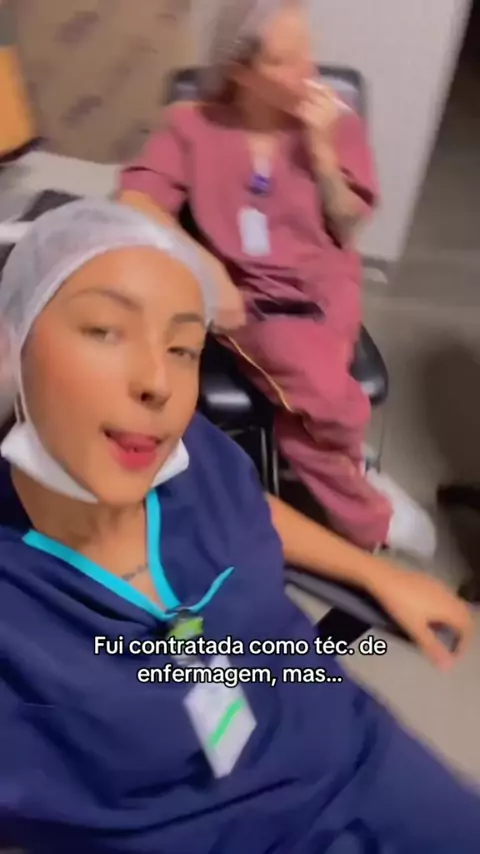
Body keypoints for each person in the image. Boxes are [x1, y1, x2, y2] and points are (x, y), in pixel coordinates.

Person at [0, 199, 478, 854]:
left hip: (344, 752)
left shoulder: (184, 452)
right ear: (14, 345)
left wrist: (374, 574)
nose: (158, 382)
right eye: (106, 331)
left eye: (182, 348)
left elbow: (246, 509)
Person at [118, 0, 437, 560]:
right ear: (240, 71)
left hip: (325, 284)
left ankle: (353, 476)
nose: (307, 72)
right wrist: (208, 269)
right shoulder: (192, 126)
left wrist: (321, 151)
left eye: (307, 53)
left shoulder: (336, 122)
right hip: (248, 296)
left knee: (304, 411)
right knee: (313, 383)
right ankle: (367, 506)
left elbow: (348, 225)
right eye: (284, 62)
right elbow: (135, 200)